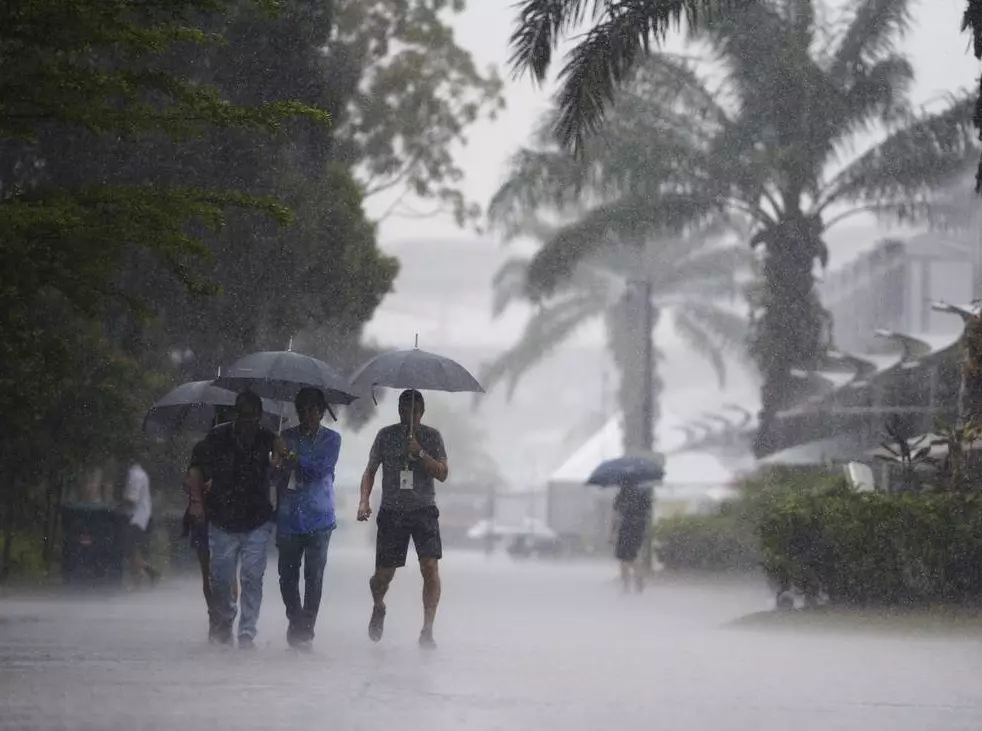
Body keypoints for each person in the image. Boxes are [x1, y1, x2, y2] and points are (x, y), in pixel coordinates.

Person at [187, 391, 284, 648]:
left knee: (252, 576)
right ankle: (225, 620)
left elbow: (279, 474)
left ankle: (247, 633)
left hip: (257, 519)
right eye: (242, 416)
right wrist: (197, 502)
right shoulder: (217, 437)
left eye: (251, 418)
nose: (246, 423)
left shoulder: (269, 439)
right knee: (220, 578)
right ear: (234, 414)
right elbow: (196, 468)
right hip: (222, 519)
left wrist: (279, 459)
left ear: (259, 417)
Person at [357, 389, 448, 648]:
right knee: (382, 575)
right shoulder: (386, 436)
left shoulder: (432, 437)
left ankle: (427, 629)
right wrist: (364, 500)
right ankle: (379, 604)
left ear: (422, 412)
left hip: (423, 510)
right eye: (405, 411)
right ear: (398, 412)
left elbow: (442, 473)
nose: (410, 417)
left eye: (415, 412)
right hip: (392, 511)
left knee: (430, 567)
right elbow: (370, 470)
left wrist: (420, 453)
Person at [273, 387, 341, 651]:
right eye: (302, 409)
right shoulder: (284, 436)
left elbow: (319, 469)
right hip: (289, 517)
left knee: (314, 576)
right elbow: (275, 477)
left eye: (313, 409)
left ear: (321, 412)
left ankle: (307, 627)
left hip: (319, 518)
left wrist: (290, 456)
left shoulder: (332, 440)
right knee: (286, 576)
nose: (307, 414)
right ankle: (295, 619)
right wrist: (276, 462)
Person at [610, 480, 653, 593]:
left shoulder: (622, 494)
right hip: (639, 527)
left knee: (623, 557)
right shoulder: (645, 493)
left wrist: (612, 531)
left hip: (626, 526)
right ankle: (639, 580)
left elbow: (615, 514)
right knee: (633, 556)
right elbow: (648, 512)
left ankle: (626, 585)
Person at [122, 460, 160, 586]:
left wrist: (120, 505)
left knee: (131, 549)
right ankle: (148, 572)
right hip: (140, 516)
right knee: (131, 549)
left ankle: (140, 578)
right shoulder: (138, 473)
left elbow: (133, 498)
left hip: (138, 518)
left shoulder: (135, 475)